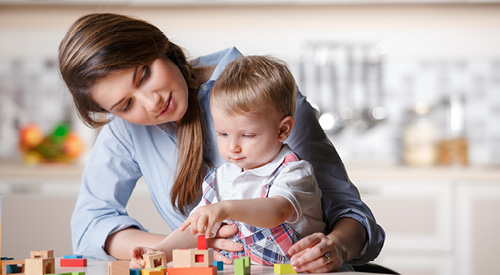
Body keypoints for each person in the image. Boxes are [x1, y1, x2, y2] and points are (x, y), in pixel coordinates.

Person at [59, 13, 385, 273]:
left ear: (156, 44)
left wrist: (337, 248)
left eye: (144, 74)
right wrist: (182, 246)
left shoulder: (259, 97)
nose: (151, 101)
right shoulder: (126, 129)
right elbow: (90, 226)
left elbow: (351, 214)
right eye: (126, 105)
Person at [130, 55, 325, 268]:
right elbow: (194, 231)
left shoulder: (294, 172)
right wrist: (158, 252)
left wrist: (225, 208)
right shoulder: (220, 179)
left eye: (248, 135)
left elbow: (277, 211)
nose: (233, 147)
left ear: (283, 130)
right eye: (222, 134)